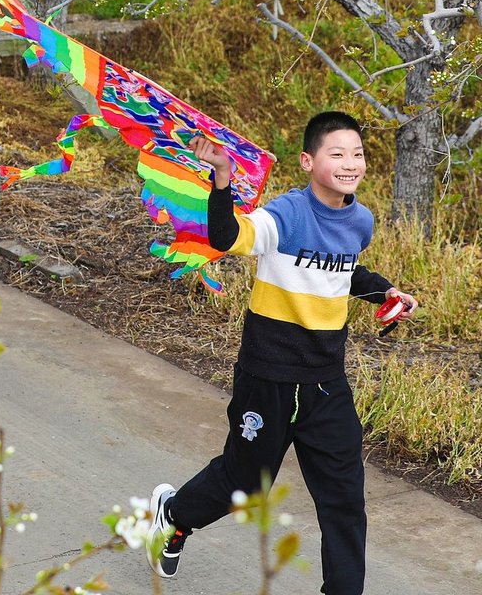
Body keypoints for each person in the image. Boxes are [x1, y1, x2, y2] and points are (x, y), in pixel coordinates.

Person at [145, 112, 419, 595]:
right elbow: (229, 238)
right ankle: (173, 515)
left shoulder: (360, 219)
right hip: (268, 377)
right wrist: (223, 179)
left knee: (344, 502)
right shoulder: (287, 214)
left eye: (357, 153)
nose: (349, 163)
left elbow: (340, 272)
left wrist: (385, 292)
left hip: (325, 384)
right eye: (337, 153)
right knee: (244, 487)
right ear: (308, 161)